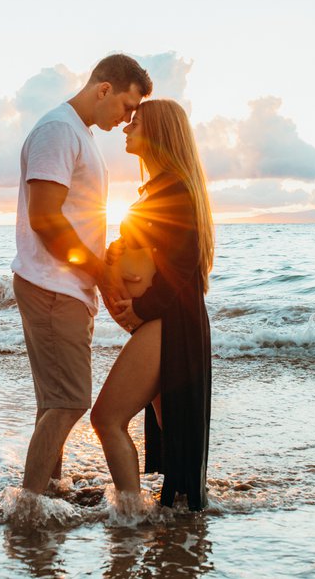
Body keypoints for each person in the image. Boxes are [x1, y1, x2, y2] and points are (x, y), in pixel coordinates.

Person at [11, 54, 153, 500]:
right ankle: (28, 507)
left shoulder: (80, 135)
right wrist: (102, 275)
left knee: (54, 401)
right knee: (70, 401)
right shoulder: (59, 130)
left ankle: (47, 493)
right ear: (104, 89)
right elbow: (45, 218)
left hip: (65, 287)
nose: (128, 118)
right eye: (127, 106)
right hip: (53, 286)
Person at [91, 99, 214, 511]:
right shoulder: (160, 188)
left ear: (159, 133)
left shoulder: (176, 190)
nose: (126, 128)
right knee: (173, 430)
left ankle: (131, 516)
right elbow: (148, 251)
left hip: (169, 321)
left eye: (136, 123)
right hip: (162, 321)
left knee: (106, 418)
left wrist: (141, 310)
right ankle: (179, 519)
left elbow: (180, 267)